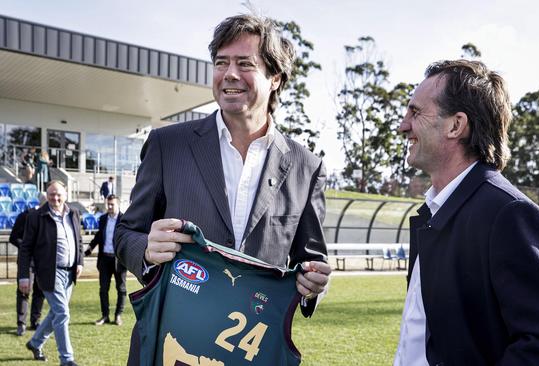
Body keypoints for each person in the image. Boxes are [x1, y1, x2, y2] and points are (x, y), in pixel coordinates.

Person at [115, 14, 331, 365]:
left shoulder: (307, 166)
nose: (229, 74)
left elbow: (312, 261)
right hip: (170, 350)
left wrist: (313, 286)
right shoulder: (168, 144)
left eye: (245, 64)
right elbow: (126, 233)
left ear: (275, 78)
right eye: (221, 63)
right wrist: (146, 249)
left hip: (252, 353)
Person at [393, 60, 539, 365]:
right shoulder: (433, 212)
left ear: (456, 125)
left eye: (415, 112)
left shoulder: (508, 214)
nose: (403, 125)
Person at [18, 180, 83, 366]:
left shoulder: (74, 213)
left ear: (66, 195)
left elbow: (78, 239)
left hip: (70, 273)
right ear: (47, 195)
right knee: (62, 313)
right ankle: (67, 359)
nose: (55, 197)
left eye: (59, 194)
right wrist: (24, 276)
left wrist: (79, 261)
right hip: (49, 273)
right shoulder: (36, 216)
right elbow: (25, 248)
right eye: (52, 194)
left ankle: (35, 342)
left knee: (56, 313)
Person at [85, 194, 126, 326]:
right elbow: (98, 236)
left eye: (112, 204)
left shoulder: (125, 219)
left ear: (118, 204)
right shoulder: (103, 219)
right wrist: (90, 247)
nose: (109, 207)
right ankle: (105, 316)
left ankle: (118, 315)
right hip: (104, 259)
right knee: (103, 289)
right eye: (108, 204)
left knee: (121, 289)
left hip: (119, 260)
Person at [10, 192, 47, 336]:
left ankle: (35, 321)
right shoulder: (25, 216)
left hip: (43, 261)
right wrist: (27, 246)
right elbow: (14, 237)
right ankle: (21, 323)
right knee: (24, 290)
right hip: (27, 260)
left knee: (40, 291)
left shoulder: (50, 218)